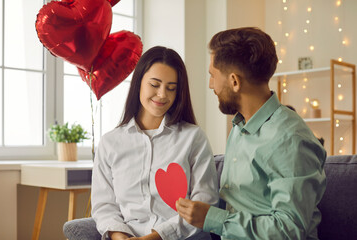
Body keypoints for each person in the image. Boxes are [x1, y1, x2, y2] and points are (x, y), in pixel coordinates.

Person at [176, 27, 326, 239]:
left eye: (213, 76)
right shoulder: (240, 126)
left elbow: (289, 230)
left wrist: (212, 218)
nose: (211, 85)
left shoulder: (290, 139)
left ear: (234, 81)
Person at [91, 46, 219, 240]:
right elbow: (104, 206)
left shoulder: (193, 138)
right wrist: (119, 236)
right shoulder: (110, 143)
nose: (162, 95)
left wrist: (156, 237)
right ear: (139, 83)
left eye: (171, 88)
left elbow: (205, 204)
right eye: (154, 84)